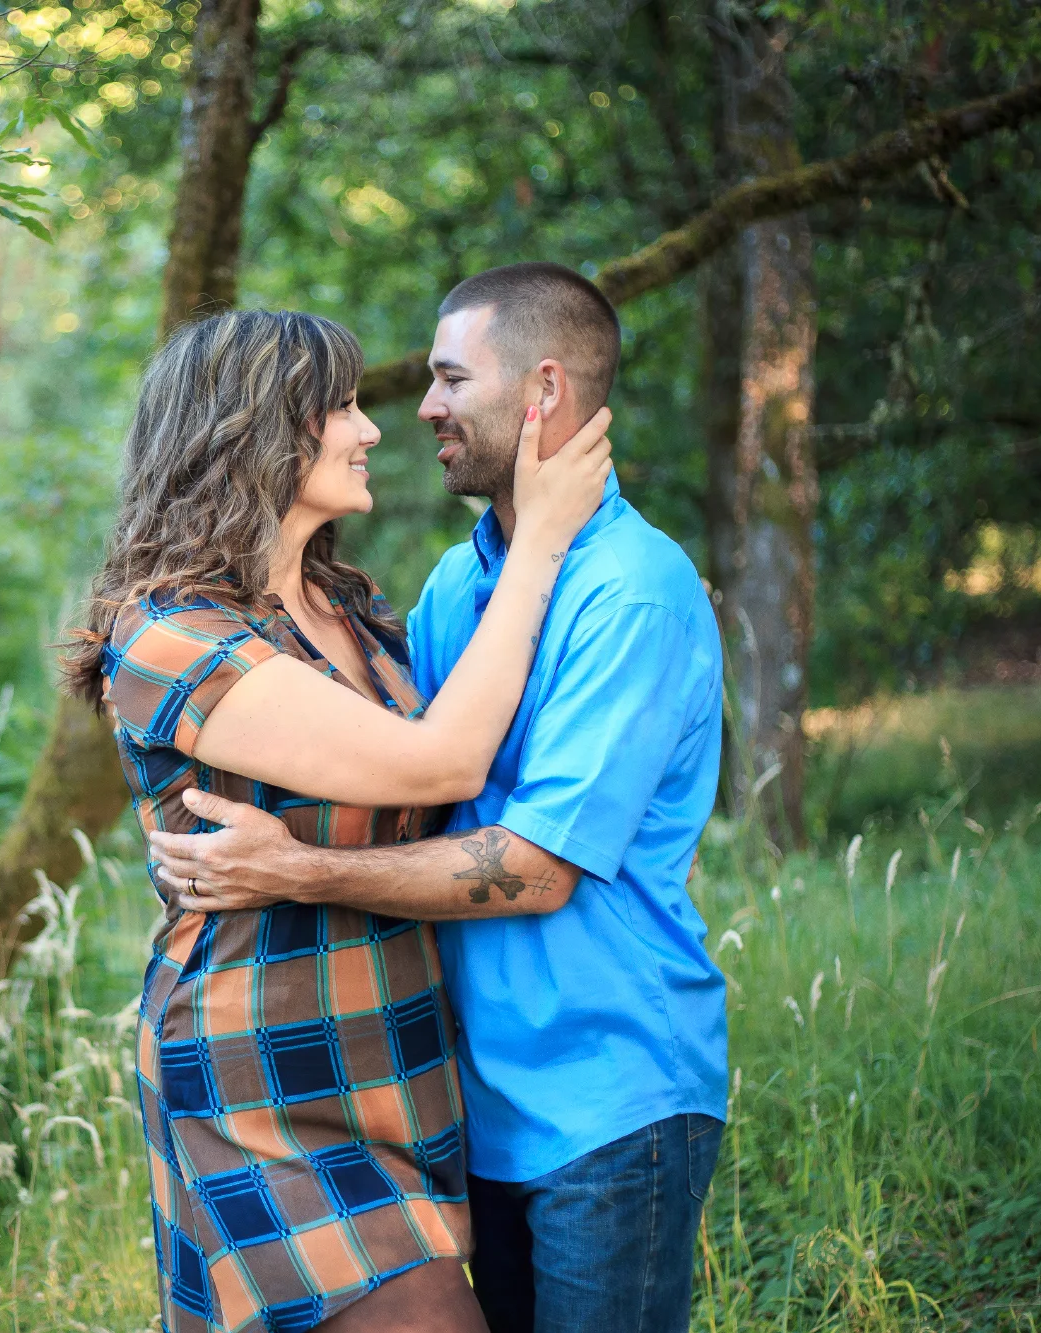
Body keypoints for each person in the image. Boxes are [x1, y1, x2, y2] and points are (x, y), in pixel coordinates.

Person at [148, 264, 728, 1333]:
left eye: (450, 379)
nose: (418, 409)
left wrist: (290, 868)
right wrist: (187, 836)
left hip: (605, 1094)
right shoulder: (461, 589)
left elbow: (532, 867)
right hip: (461, 1100)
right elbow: (378, 774)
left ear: (541, 390)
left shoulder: (631, 592)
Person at [63, 307, 613, 1333]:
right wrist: (539, 538)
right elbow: (441, 756)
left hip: (400, 1060)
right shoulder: (170, 632)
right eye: (342, 406)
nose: (370, 429)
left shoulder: (347, 610)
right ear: (255, 431)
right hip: (263, 1076)